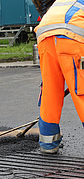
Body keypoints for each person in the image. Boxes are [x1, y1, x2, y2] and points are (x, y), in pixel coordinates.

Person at [35, 0, 84, 153]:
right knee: (81, 90)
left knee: (51, 90)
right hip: (72, 37)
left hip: (45, 36)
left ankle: (48, 143)